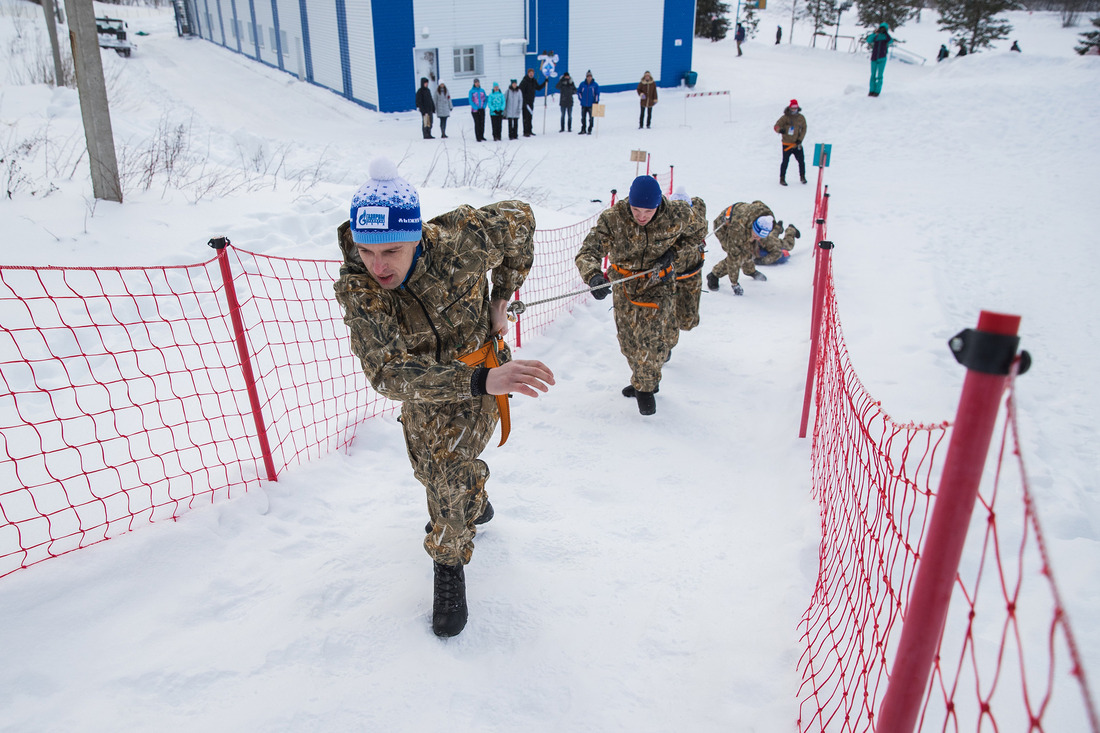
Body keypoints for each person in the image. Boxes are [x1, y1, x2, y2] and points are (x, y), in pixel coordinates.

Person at [334, 158, 555, 638]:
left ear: (417, 236)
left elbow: (521, 218)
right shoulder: (360, 287)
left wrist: (503, 293)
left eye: (392, 250)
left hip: (489, 367)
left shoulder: (463, 239)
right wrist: (476, 384)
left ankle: (449, 562)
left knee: (447, 480)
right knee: (437, 477)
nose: (378, 266)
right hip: (429, 393)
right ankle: (464, 518)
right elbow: (387, 372)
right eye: (367, 251)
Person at [574, 175, 706, 416]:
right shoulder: (613, 218)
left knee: (651, 342)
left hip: (659, 284)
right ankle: (641, 378)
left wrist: (674, 252)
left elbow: (698, 232)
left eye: (648, 210)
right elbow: (588, 251)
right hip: (625, 286)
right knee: (629, 343)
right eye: (636, 209)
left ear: (659, 204)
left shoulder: (677, 213)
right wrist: (593, 276)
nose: (641, 216)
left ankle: (646, 388)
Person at [705, 202, 795, 296]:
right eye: (756, 235)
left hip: (743, 220)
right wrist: (734, 283)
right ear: (752, 227)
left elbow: (757, 203)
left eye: (760, 237)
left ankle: (749, 271)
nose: (758, 239)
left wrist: (755, 238)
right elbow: (733, 258)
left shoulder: (767, 218)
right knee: (739, 255)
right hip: (724, 227)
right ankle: (714, 275)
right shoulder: (738, 230)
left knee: (749, 250)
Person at [667, 187, 708, 336]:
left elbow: (699, 202)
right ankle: (666, 344)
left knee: (688, 321)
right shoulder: (664, 222)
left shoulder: (697, 220)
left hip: (691, 274)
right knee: (664, 320)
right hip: (668, 277)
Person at [774, 99, 807, 186]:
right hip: (787, 145)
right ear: (789, 108)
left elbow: (804, 129)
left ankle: (802, 177)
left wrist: (800, 140)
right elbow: (776, 126)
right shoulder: (785, 118)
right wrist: (780, 130)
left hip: (797, 144)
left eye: (795, 108)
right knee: (785, 162)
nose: (794, 110)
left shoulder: (801, 118)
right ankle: (782, 178)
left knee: (801, 161)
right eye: (792, 108)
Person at [865, 22, 894, 97]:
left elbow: (891, 41)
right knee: (873, 75)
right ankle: (871, 90)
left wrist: (886, 33)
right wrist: (874, 33)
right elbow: (868, 40)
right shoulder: (876, 36)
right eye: (881, 28)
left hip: (882, 58)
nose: (882, 30)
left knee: (880, 76)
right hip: (874, 58)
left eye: (884, 29)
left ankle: (877, 91)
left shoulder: (886, 37)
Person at [518, 67, 546, 137]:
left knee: (530, 116)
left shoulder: (534, 81)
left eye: (532, 73)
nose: (531, 74)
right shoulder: (524, 81)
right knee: (525, 117)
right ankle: (525, 131)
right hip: (525, 102)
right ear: (528, 73)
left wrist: (545, 83)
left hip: (531, 102)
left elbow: (538, 88)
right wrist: (524, 101)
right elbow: (521, 92)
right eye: (530, 73)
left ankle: (530, 130)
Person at [577, 70, 599, 135]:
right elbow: (579, 92)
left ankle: (590, 129)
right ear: (586, 77)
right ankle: (583, 129)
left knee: (591, 118)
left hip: (591, 104)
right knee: (583, 118)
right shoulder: (582, 84)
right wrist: (581, 99)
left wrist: (596, 101)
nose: (589, 78)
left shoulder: (595, 85)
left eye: (590, 76)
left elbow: (597, 94)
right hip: (584, 104)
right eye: (588, 76)